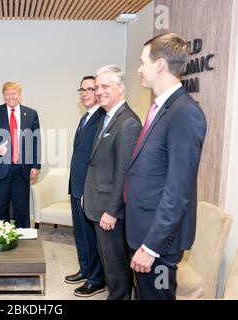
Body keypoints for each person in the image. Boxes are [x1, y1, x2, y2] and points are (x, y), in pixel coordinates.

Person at [125, 33, 207, 300]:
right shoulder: (162, 108)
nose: (139, 69)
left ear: (159, 65)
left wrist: (151, 247)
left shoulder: (184, 112)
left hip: (158, 243)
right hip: (144, 232)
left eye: (142, 62)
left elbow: (178, 191)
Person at [83, 65, 142, 300]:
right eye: (97, 87)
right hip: (99, 204)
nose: (99, 91)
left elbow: (123, 172)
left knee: (117, 269)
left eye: (105, 86)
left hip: (110, 210)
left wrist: (112, 210)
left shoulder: (127, 122)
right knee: (110, 265)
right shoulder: (107, 117)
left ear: (120, 88)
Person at [65, 76, 105, 297]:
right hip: (77, 186)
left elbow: (97, 160)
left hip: (88, 189)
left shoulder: (101, 118)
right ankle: (85, 269)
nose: (85, 93)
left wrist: (86, 190)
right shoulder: (85, 118)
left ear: (98, 92)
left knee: (91, 236)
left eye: (90, 89)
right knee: (80, 234)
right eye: (82, 89)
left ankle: (96, 279)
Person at [0, 82, 41, 228]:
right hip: (1, 168)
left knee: (21, 207)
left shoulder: (31, 114)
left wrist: (35, 166)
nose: (11, 97)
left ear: (19, 95)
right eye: (7, 94)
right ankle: (1, 237)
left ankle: (23, 237)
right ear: (3, 96)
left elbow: (36, 141)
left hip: (23, 169)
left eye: (14, 93)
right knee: (0, 206)